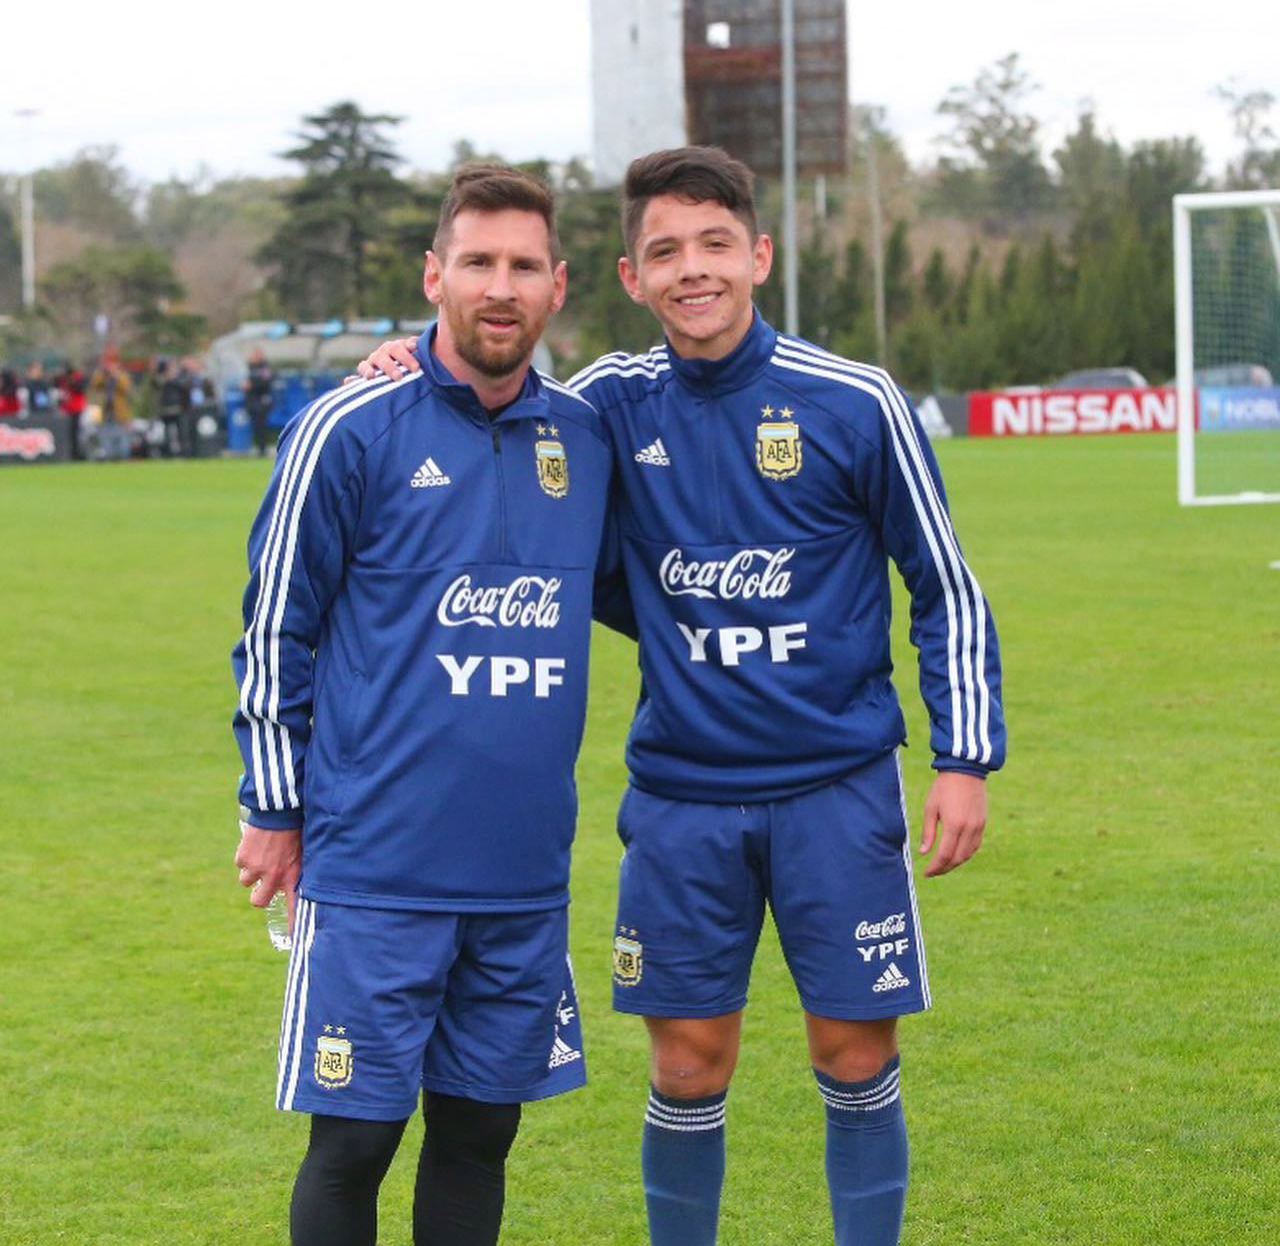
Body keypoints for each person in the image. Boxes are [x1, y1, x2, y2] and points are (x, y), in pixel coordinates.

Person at [359, 145, 1005, 1246]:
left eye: (714, 244)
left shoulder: (854, 400)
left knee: (854, 1052)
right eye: (665, 250)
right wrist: (409, 371)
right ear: (627, 275)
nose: (691, 269)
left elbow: (939, 579)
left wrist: (961, 757)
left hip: (836, 790)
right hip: (681, 799)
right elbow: (494, 423)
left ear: (756, 255)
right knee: (685, 1060)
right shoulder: (606, 405)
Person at [231, 164, 614, 1246]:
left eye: (524, 266)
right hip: (375, 866)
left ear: (557, 285)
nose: (501, 286)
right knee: (352, 1142)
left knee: (480, 1131)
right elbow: (275, 628)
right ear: (433, 274)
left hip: (520, 872)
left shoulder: (584, 437)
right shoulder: (347, 428)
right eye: (479, 261)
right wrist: (271, 803)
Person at [87, 350, 133, 460]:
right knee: (105, 438)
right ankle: (109, 457)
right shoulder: (101, 375)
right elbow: (94, 384)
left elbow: (126, 389)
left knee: (122, 440)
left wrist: (116, 375)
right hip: (104, 413)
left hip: (120, 414)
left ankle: (123, 458)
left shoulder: (123, 376)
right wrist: (104, 373)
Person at [243, 347, 276, 455]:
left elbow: (266, 382)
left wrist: (252, 385)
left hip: (262, 401)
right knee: (255, 425)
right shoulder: (249, 367)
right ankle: (257, 446)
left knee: (261, 424)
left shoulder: (265, 368)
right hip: (251, 400)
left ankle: (262, 448)